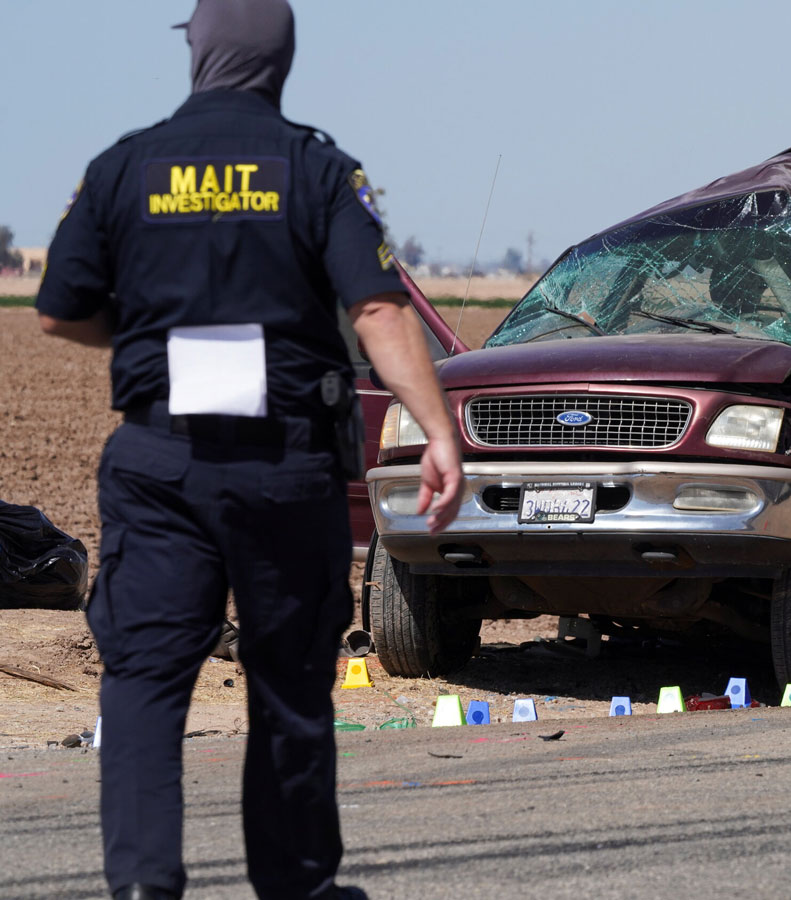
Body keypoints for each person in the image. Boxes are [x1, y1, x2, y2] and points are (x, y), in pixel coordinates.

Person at [34, 2, 462, 897]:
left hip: (160, 463)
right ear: (281, 62)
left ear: (197, 51)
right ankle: (296, 884)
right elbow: (379, 309)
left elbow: (60, 307)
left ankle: (145, 885)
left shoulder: (123, 166)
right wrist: (438, 430)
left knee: (145, 679)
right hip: (285, 466)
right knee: (289, 680)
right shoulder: (316, 168)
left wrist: (151, 337)